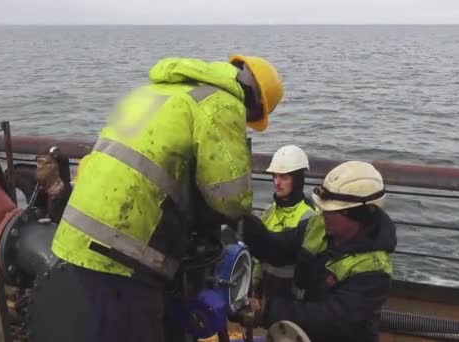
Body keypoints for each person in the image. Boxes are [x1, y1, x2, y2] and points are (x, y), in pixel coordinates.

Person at [49, 55, 284, 342]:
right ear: (255, 102)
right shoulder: (222, 103)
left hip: (81, 229)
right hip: (122, 245)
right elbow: (232, 200)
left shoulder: (159, 89)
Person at [242, 161, 397, 342]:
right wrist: (245, 223)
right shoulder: (318, 226)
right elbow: (277, 249)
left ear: (358, 215)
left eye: (332, 211)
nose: (324, 214)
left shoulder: (374, 270)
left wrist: (266, 310)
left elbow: (330, 319)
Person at [252, 145, 317, 299]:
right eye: (275, 176)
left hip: (292, 298)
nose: (277, 182)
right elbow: (260, 258)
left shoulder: (308, 216)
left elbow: (307, 268)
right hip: (267, 291)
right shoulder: (270, 211)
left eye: (284, 177)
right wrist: (255, 283)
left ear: (298, 180)